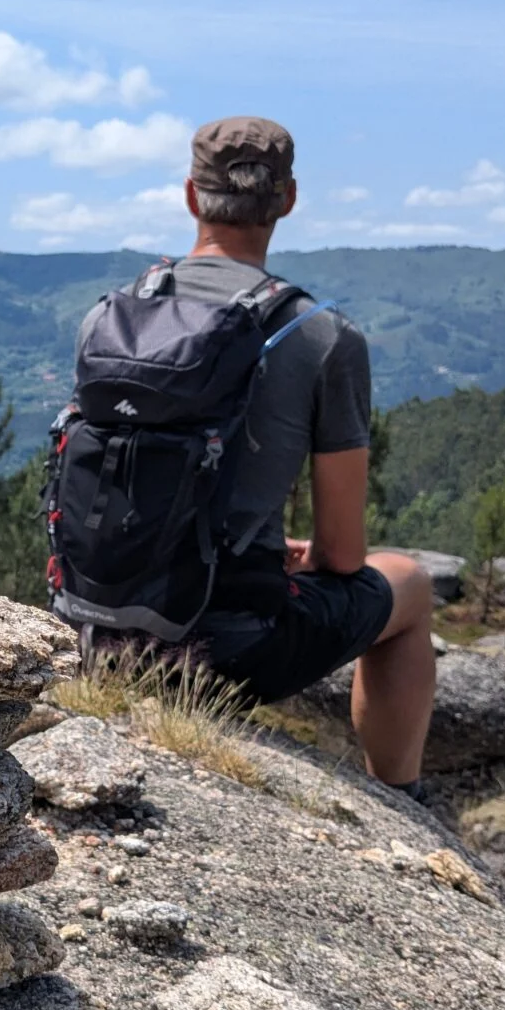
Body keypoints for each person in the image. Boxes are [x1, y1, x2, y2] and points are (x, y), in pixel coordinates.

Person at [85, 116, 436, 795]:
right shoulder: (319, 336)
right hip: (225, 650)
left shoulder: (113, 313)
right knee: (411, 585)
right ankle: (400, 793)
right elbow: (342, 555)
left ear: (191, 196)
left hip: (95, 633)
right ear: (288, 199)